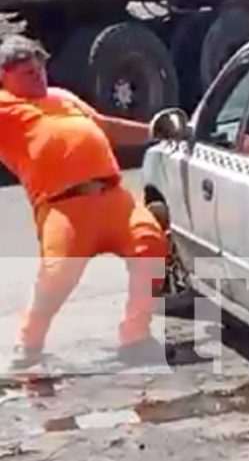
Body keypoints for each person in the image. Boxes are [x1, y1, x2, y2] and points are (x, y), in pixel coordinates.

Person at [0, 34, 170, 369]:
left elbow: (105, 127)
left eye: (41, 70)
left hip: (112, 195)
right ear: (4, 76)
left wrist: (154, 130)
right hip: (64, 206)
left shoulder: (61, 97)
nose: (39, 78)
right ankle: (28, 347)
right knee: (57, 274)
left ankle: (135, 336)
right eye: (28, 73)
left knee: (150, 243)